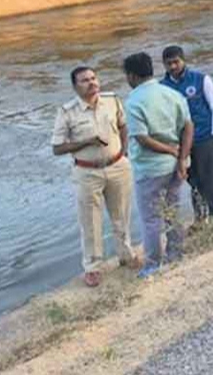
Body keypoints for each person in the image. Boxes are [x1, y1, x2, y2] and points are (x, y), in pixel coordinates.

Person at [51, 66, 139, 288]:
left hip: (118, 165)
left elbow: (123, 125)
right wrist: (86, 142)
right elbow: (57, 148)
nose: (91, 83)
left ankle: (126, 255)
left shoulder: (112, 100)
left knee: (122, 214)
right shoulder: (67, 111)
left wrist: (124, 151)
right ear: (75, 86)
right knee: (90, 221)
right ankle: (92, 267)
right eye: (84, 80)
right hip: (87, 171)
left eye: (93, 78)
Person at [123, 52, 193, 278]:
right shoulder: (171, 93)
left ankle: (153, 263)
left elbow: (142, 138)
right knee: (172, 209)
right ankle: (176, 253)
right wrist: (181, 157)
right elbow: (188, 127)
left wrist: (170, 150)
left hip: (150, 168)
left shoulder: (133, 100)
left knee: (151, 218)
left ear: (131, 76)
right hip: (175, 165)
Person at [161, 46, 213, 222]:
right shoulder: (162, 87)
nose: (173, 66)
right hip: (180, 144)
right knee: (192, 180)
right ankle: (200, 217)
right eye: (169, 64)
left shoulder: (201, 79)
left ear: (183, 60)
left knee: (209, 179)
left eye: (176, 62)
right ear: (164, 65)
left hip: (204, 138)